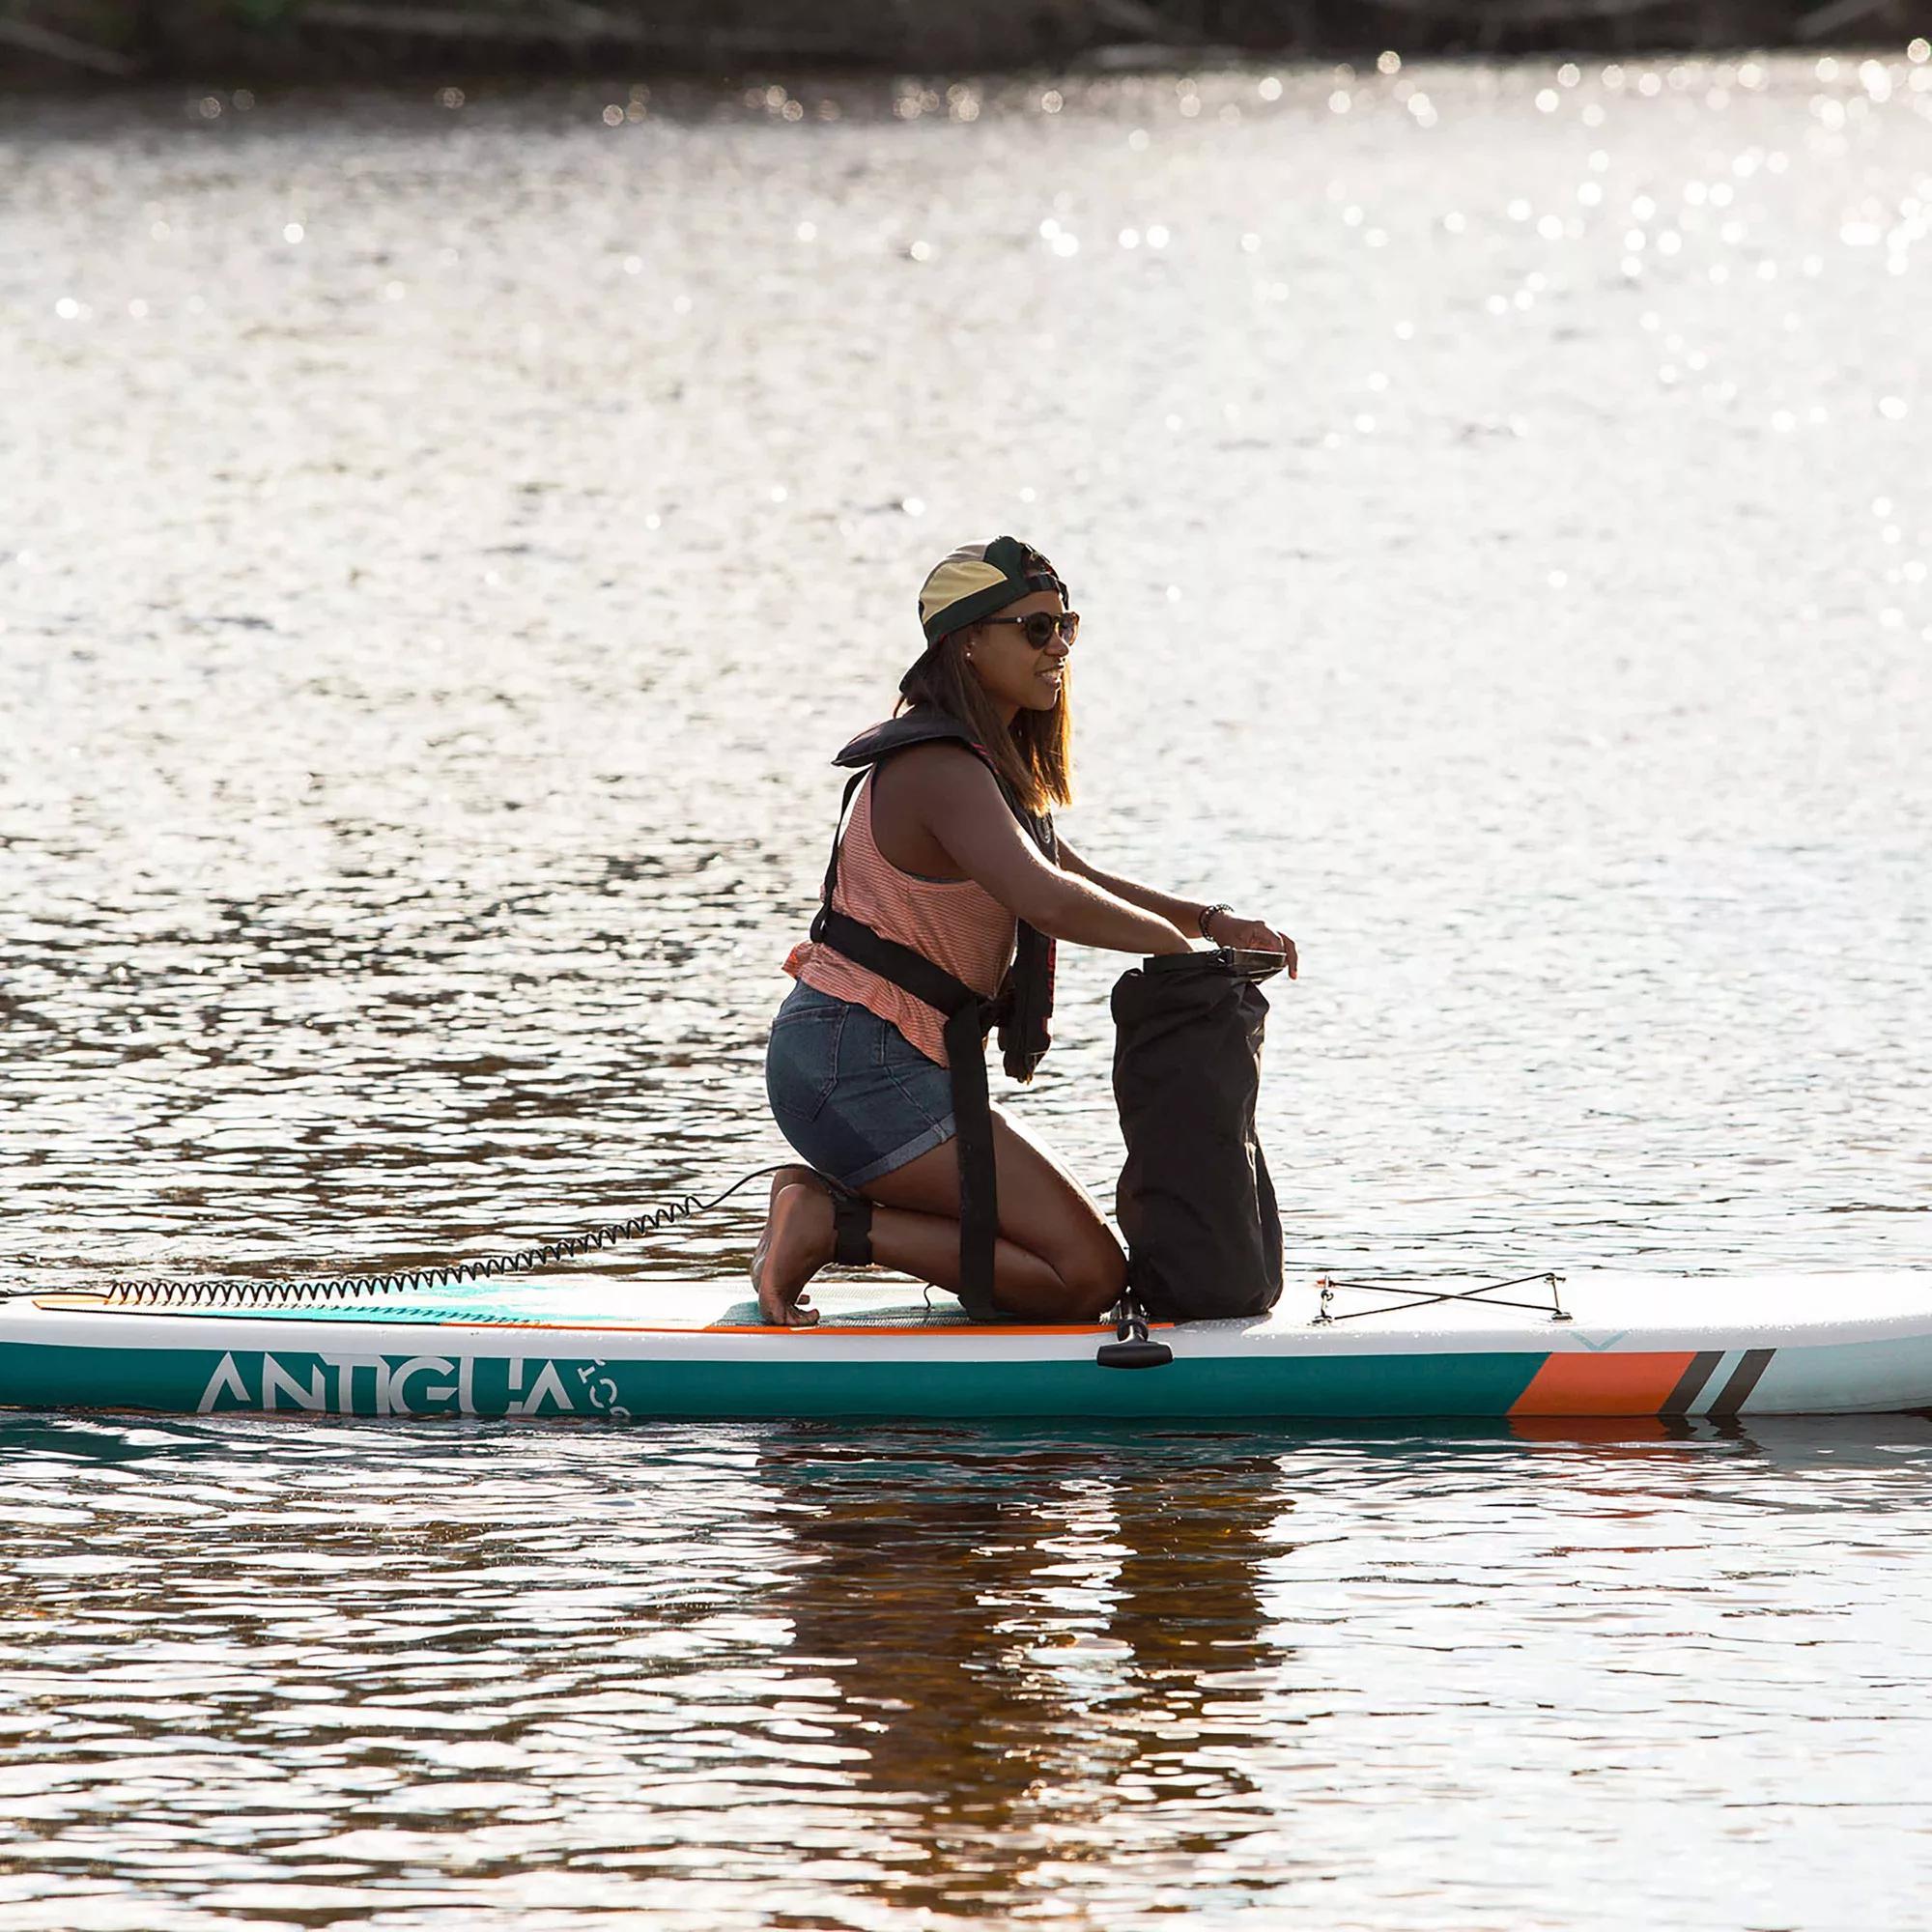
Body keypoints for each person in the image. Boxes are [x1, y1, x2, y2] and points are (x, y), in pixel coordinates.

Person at [754, 538, 1294, 1327]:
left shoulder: (982, 769)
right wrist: (1177, 954)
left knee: (1079, 1270)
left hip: (877, 1061)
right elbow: (1047, 898)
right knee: (1082, 1277)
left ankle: (821, 1212)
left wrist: (1208, 921)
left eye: (1067, 625)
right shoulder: (937, 766)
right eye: (1036, 629)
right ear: (968, 641)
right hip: (854, 1065)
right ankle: (832, 1226)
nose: (1061, 648)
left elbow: (1069, 872)